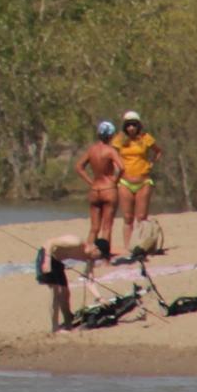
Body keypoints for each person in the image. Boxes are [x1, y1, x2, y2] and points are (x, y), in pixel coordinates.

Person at [112, 111, 162, 257]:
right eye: (128, 125)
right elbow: (112, 154)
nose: (131, 128)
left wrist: (151, 164)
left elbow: (158, 151)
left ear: (138, 125)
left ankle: (141, 246)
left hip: (143, 180)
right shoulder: (119, 140)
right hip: (125, 181)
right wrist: (116, 168)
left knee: (141, 216)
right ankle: (128, 248)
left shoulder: (146, 138)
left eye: (134, 125)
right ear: (125, 126)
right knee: (127, 217)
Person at [75, 121, 122, 263]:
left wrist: (90, 182)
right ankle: (106, 259)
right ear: (111, 135)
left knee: (94, 228)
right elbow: (122, 168)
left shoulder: (92, 150)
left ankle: (88, 258)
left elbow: (79, 167)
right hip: (108, 188)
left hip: (95, 189)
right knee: (106, 227)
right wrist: (115, 180)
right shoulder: (111, 150)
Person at [36, 233, 103, 331]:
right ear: (95, 248)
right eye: (99, 256)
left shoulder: (89, 258)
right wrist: (47, 261)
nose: (97, 259)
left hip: (58, 262)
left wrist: (99, 298)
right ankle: (55, 329)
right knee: (56, 291)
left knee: (65, 293)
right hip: (47, 255)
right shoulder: (77, 242)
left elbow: (90, 280)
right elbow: (51, 242)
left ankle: (68, 324)